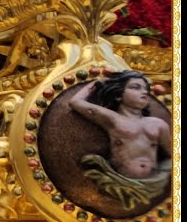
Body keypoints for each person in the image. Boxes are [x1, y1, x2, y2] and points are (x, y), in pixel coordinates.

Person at [68, 71, 172, 208]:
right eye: (136, 87)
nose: (144, 92)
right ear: (118, 95)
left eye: (145, 89)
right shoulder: (113, 119)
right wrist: (97, 82)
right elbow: (75, 102)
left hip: (155, 185)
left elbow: (172, 153)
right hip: (120, 183)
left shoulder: (158, 124)